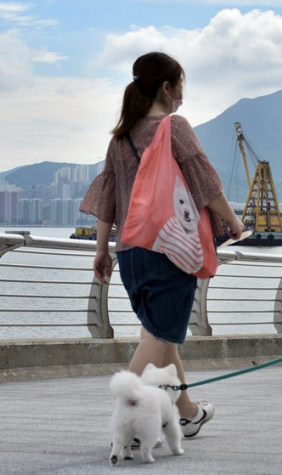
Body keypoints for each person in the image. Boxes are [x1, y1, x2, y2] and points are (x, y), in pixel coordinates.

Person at [80, 52, 244, 441]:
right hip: (168, 249)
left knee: (162, 334)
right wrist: (234, 222)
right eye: (180, 85)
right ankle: (128, 421)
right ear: (167, 88)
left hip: (130, 253)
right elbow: (205, 182)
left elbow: (108, 198)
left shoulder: (121, 139)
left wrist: (101, 250)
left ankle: (186, 413)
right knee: (157, 337)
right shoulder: (173, 127)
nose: (181, 94)